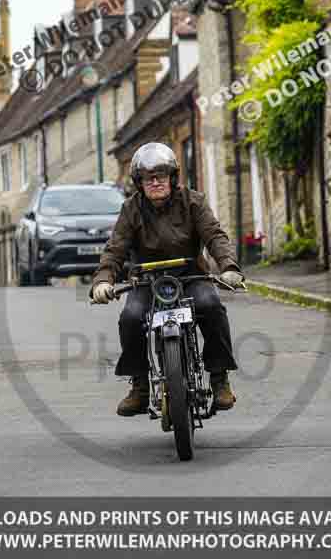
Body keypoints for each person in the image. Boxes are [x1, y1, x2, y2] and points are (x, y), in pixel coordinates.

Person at [89, 142, 245, 417]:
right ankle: (140, 387)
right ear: (140, 183)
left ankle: (220, 379)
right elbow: (115, 249)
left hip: (190, 275)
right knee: (131, 318)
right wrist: (103, 281)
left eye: (161, 175)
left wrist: (228, 267)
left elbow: (214, 236)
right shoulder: (131, 209)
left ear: (172, 177)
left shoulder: (193, 201)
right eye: (148, 178)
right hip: (147, 280)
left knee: (211, 306)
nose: (156, 182)